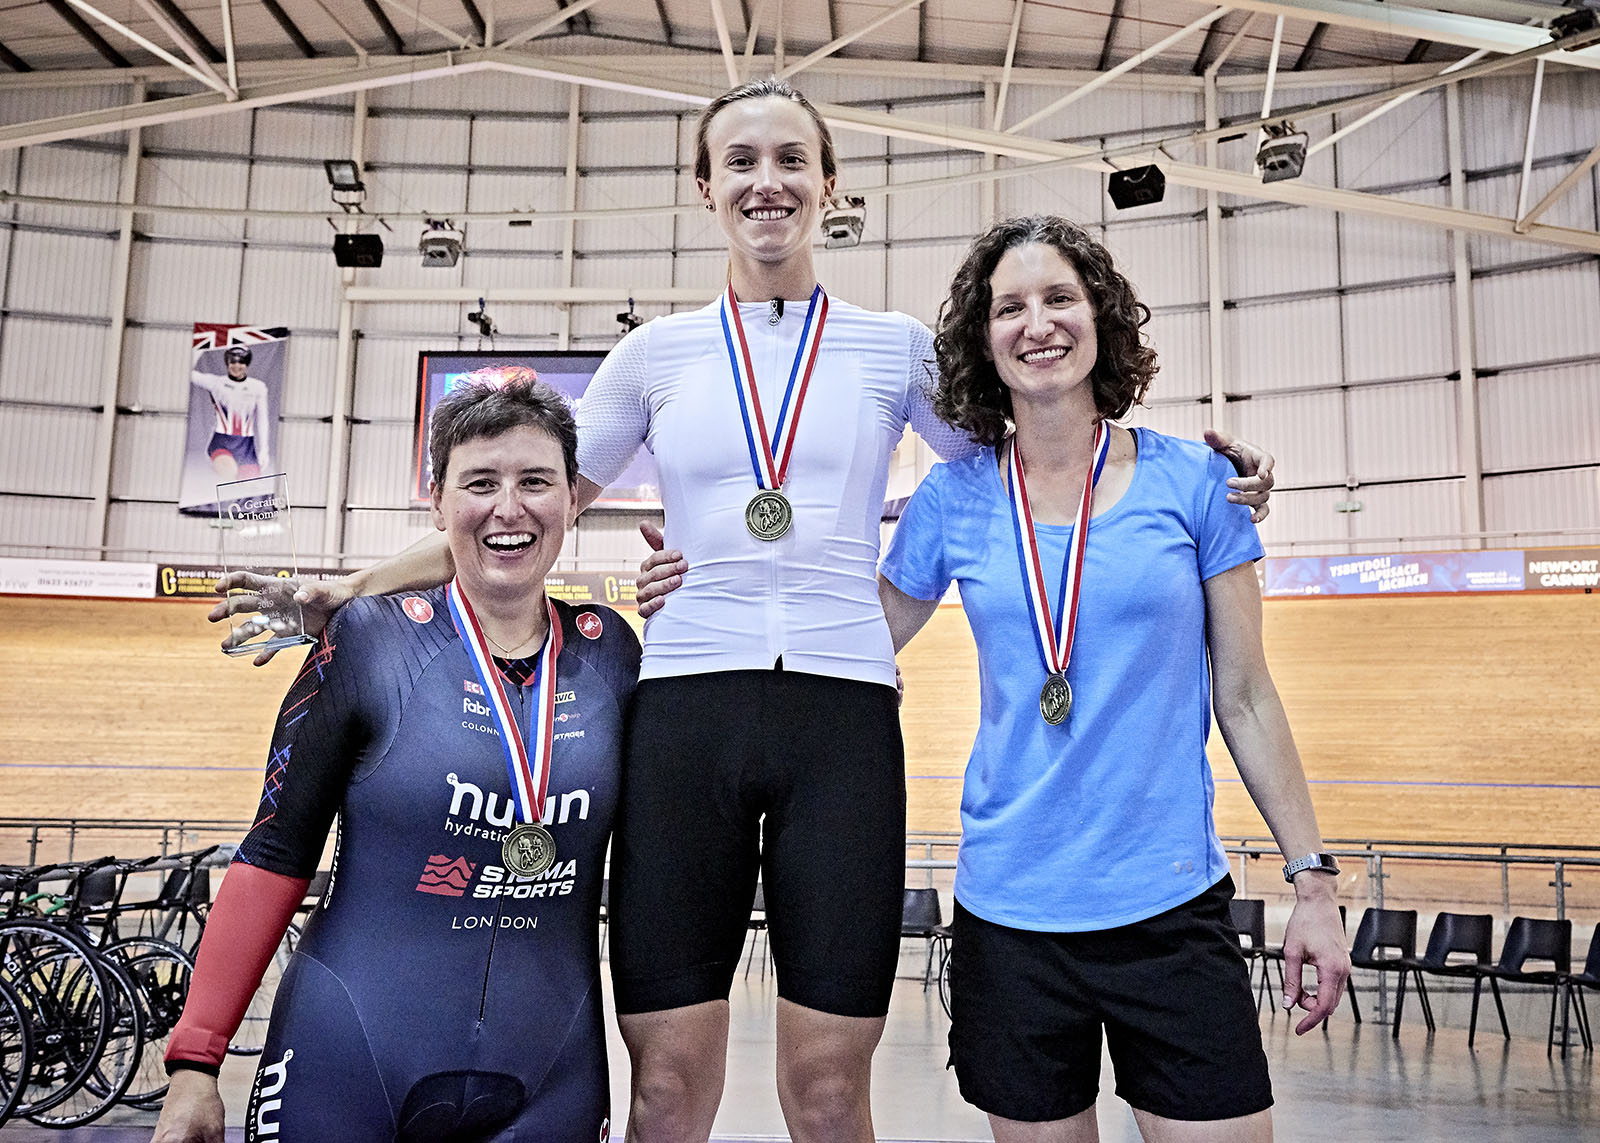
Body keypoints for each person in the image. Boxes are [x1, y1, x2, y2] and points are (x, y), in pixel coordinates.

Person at [211, 79, 1276, 1143]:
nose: (767, 182)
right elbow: (523, 504)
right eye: (741, 162)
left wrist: (1192, 472)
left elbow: (1043, 454)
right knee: (668, 1088)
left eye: (789, 160)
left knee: (824, 1091)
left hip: (842, 724)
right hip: (686, 720)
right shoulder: (654, 358)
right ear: (706, 187)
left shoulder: (892, 349)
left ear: (826, 183)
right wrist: (350, 590)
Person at [867, 215, 1349, 1141]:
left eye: (1060, 298)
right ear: (983, 338)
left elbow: (1245, 695)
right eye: (1009, 306)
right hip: (1011, 915)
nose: (1036, 323)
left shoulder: (1200, 484)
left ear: (1102, 321)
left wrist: (1314, 884)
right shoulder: (953, 499)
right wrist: (709, 578)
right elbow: (851, 641)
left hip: (1167, 905)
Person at [155, 379, 640, 1142]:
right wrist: (195, 1062)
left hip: (552, 1079)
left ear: (572, 502)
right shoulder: (369, 640)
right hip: (346, 1061)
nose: (509, 508)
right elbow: (274, 854)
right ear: (438, 507)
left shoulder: (612, 652)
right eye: (480, 483)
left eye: (535, 482)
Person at [191, 345, 271, 479]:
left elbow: (263, 419)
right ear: (227, 363)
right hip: (221, 442)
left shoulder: (258, 387)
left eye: (241, 362)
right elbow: (187, 373)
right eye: (232, 361)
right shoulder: (215, 382)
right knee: (229, 475)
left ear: (247, 364)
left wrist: (264, 449)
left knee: (247, 488)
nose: (236, 366)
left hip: (246, 447)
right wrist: (201, 347)